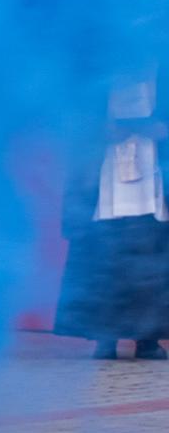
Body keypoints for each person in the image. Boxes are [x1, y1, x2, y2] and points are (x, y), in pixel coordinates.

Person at [54, 67, 169, 359]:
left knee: (152, 263)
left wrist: (159, 128)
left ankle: (148, 339)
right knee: (104, 262)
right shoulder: (98, 69)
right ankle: (105, 337)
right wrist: (99, 130)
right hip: (104, 180)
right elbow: (75, 120)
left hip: (152, 177)